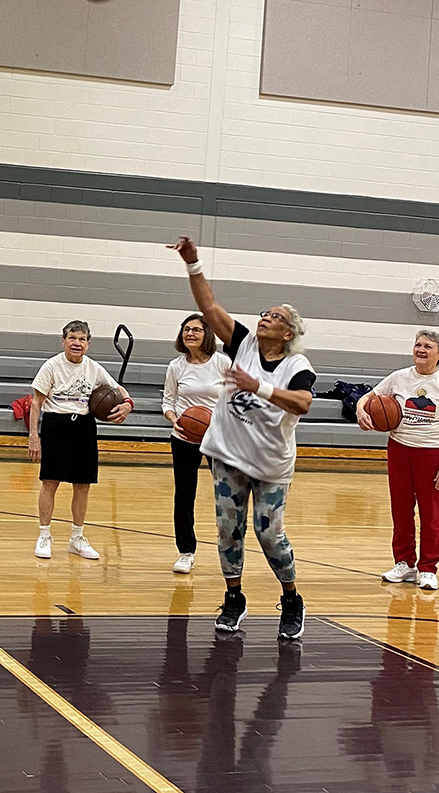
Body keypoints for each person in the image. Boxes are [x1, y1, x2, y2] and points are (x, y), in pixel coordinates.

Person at [168, 236, 316, 640]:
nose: (265, 318)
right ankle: (234, 597)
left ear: (288, 333)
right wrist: (193, 263)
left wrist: (259, 388)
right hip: (229, 456)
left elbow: (302, 403)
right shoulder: (245, 342)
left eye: (275, 317)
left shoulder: (297, 364)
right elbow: (209, 308)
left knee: (270, 534)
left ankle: (291, 599)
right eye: (265, 313)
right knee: (227, 531)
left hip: (270, 465)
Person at [357, 330, 439, 591]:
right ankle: (404, 563)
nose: (421, 349)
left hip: (433, 452)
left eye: (428, 346)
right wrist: (361, 410)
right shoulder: (398, 377)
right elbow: (367, 397)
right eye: (418, 344)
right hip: (399, 449)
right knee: (401, 510)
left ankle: (428, 568)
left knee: (430, 515)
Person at [28, 320, 132, 560]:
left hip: (84, 426)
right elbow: (36, 403)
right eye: (72, 338)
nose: (77, 343)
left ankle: (77, 538)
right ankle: (44, 535)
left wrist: (128, 405)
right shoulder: (52, 366)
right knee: (50, 481)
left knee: (83, 484)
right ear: (64, 341)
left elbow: (120, 390)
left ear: (88, 343)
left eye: (82, 339)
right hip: (56, 424)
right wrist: (34, 437)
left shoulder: (94, 368)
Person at [163, 315, 230, 574]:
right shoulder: (176, 366)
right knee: (184, 495)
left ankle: (231, 547)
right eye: (186, 329)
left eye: (196, 330)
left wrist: (221, 423)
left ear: (207, 334)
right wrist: (174, 418)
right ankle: (186, 552)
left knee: (226, 494)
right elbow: (168, 401)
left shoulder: (223, 363)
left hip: (218, 438)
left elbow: (236, 399)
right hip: (183, 437)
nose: (190, 333)